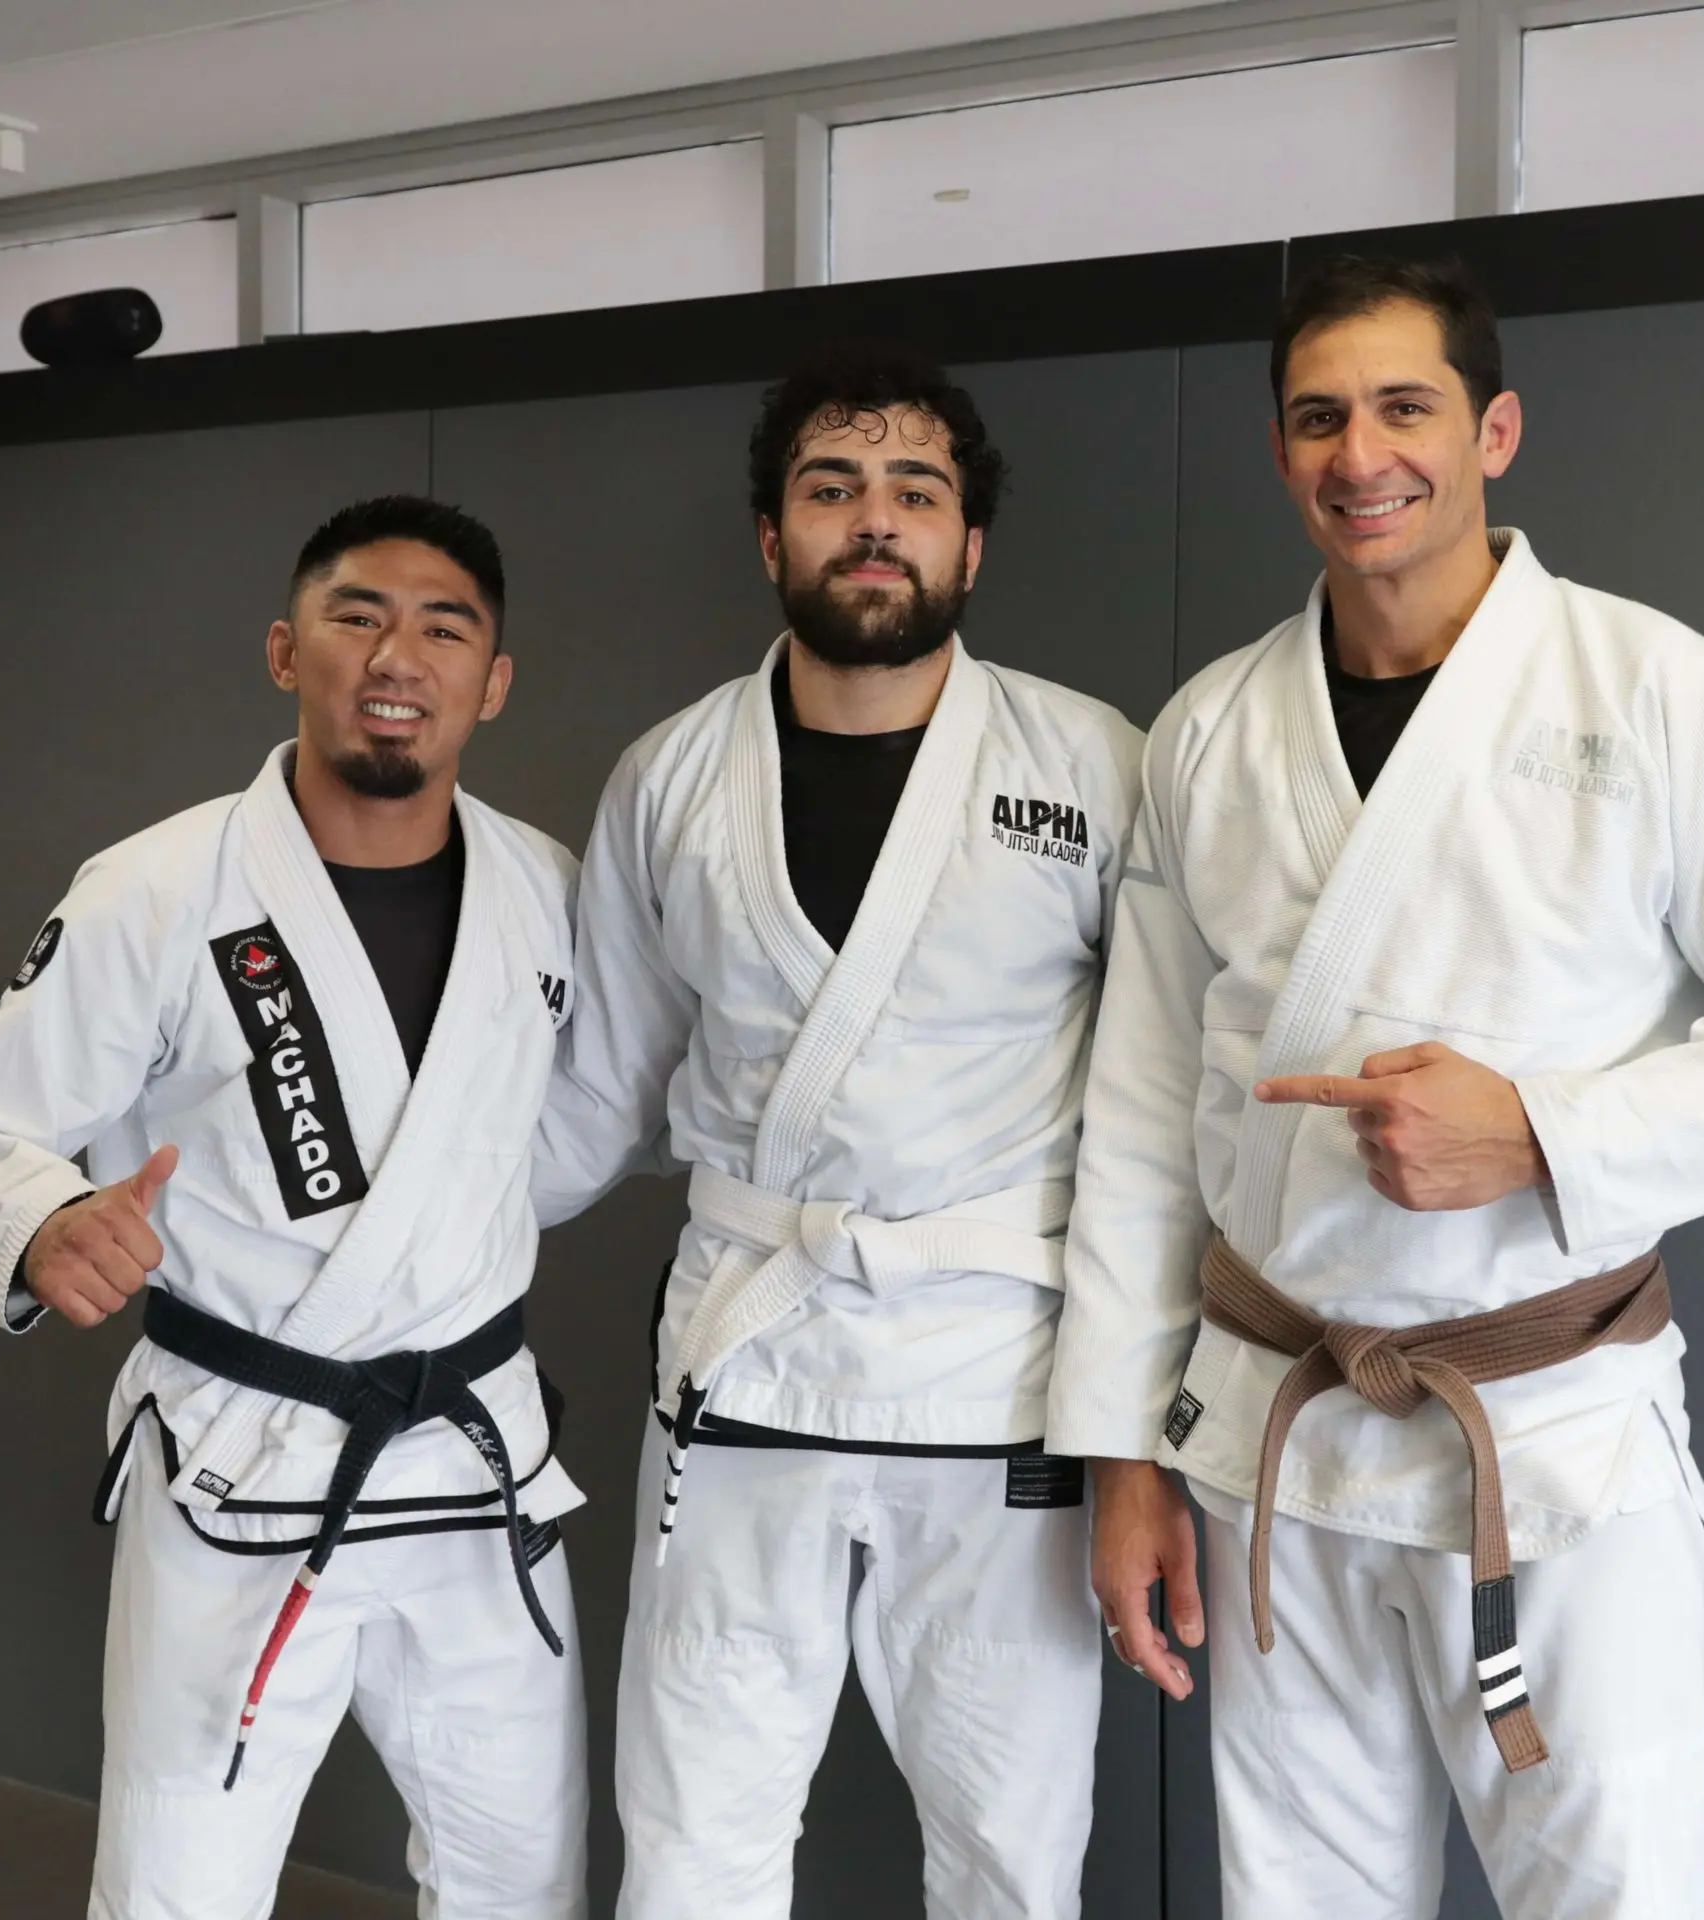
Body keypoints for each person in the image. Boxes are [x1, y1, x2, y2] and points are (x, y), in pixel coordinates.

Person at [1047, 255, 1704, 1917]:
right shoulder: (1211, 731)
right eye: (1320, 418)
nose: (1363, 455)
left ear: (1493, 429)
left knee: (1608, 1895)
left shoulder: (1649, 688)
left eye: (1406, 408)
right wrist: (1122, 1452)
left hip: (1552, 1440)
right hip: (1280, 1431)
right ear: (1280, 451)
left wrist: (1544, 1135)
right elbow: (1138, 1126)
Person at [533, 341, 1143, 1920]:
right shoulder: (669, 778)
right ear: (772, 537)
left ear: (971, 543)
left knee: (1014, 1853)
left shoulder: (1093, 766)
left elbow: (1158, 1121)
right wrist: (377, 1247)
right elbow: (596, 1090)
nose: (874, 522)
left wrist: (1145, 1421)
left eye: (914, 492)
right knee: (692, 1845)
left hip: (998, 1381)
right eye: (831, 489)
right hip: (747, 1368)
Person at [0, 496, 589, 1920]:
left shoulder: (549, 892)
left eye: (444, 626)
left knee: (522, 1877)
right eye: (356, 616)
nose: (395, 655)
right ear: (287, 652)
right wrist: (47, 1222)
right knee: (180, 1883)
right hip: (242, 1454)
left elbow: (560, 1139)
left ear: (495, 681)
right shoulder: (159, 889)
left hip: (472, 1471)